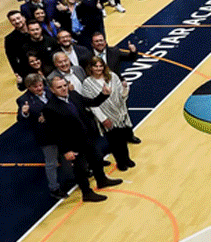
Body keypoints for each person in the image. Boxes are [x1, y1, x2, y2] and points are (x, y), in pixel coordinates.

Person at [40, 74, 122, 202]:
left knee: (97, 158)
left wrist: (104, 95)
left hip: (87, 137)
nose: (63, 88)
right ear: (52, 90)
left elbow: (92, 102)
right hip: (73, 144)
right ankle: (87, 193)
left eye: (64, 85)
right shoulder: (50, 108)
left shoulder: (73, 95)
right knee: (81, 169)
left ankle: (102, 180)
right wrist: (66, 151)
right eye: (59, 87)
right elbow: (56, 132)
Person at [79, 56, 136, 171]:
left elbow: (122, 94)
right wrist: (103, 119)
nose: (99, 68)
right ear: (91, 68)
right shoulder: (87, 83)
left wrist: (125, 89)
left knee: (123, 138)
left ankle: (127, 158)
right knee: (114, 141)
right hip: (106, 116)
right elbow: (92, 104)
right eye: (96, 66)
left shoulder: (113, 76)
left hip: (120, 113)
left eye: (101, 66)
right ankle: (120, 162)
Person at [17, 73, 66, 198]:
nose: (39, 88)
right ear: (28, 87)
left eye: (40, 85)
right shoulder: (23, 100)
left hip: (61, 130)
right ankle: (54, 188)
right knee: (51, 163)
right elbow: (21, 120)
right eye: (36, 87)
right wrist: (25, 113)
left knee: (68, 154)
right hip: (46, 136)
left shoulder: (50, 91)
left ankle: (74, 175)